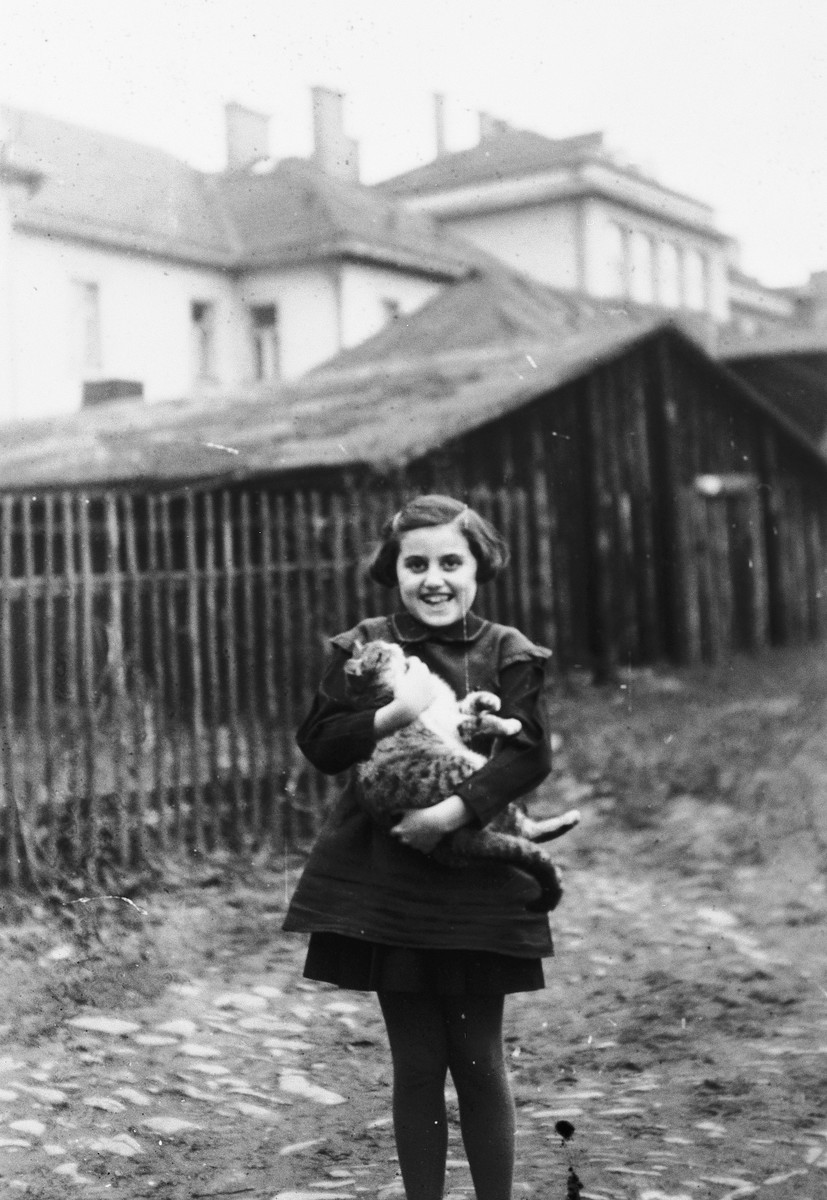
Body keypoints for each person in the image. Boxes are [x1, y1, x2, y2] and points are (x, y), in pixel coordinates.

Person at [283, 494, 555, 1200]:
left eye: (450, 562)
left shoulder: (505, 649)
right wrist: (389, 715)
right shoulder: (363, 646)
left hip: (475, 881)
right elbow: (319, 743)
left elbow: (528, 756)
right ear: (392, 570)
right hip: (386, 883)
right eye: (415, 564)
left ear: (477, 567)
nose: (433, 579)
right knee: (417, 1059)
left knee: (476, 1056)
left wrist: (451, 812)